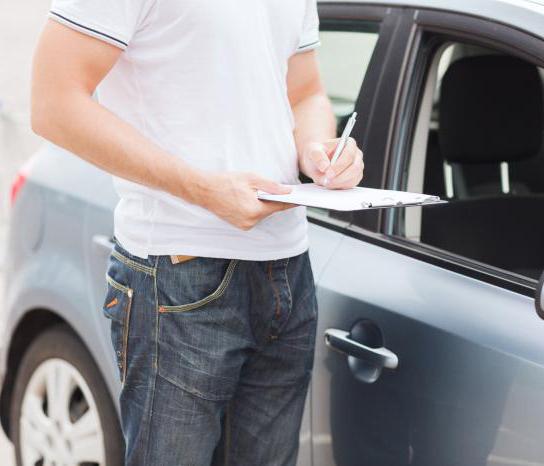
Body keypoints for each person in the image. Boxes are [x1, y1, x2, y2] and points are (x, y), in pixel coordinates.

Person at [30, 0, 364, 464]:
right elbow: (53, 103)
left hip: (287, 270)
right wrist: (203, 190)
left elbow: (305, 93)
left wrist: (318, 151)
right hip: (176, 272)